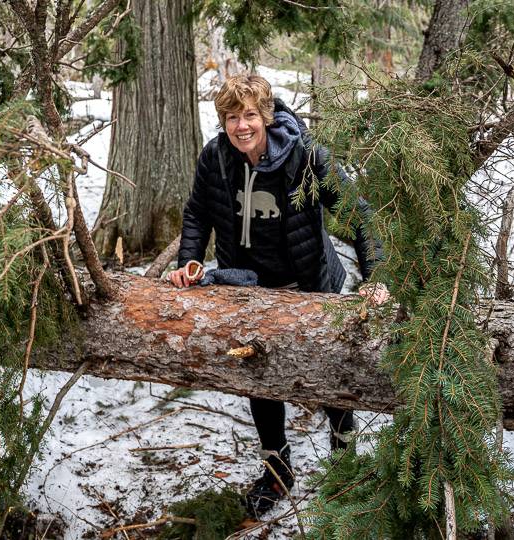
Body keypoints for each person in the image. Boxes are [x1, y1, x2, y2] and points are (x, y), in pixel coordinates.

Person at [167, 74, 386, 517]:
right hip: (249, 288)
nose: (241, 126)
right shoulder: (216, 159)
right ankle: (277, 468)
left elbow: (357, 212)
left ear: (265, 116)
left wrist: (376, 276)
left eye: (249, 115)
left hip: (310, 285)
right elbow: (197, 212)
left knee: (330, 376)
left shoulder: (305, 155)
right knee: (259, 376)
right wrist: (188, 260)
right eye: (232, 117)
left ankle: (345, 463)